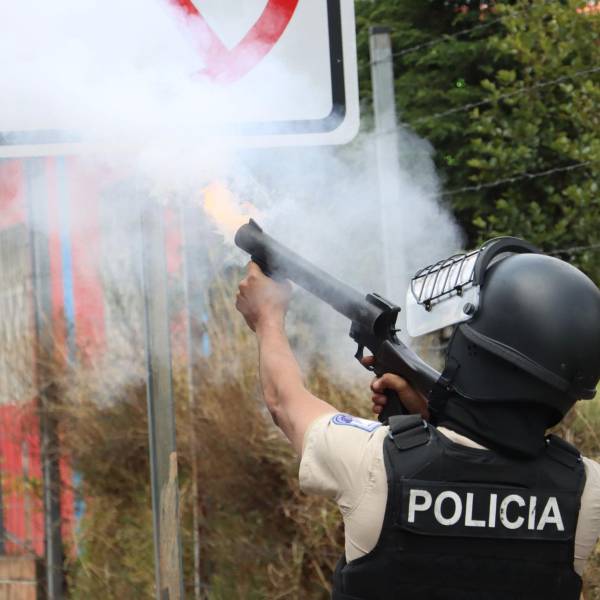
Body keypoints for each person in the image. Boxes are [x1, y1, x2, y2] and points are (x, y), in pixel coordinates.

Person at [236, 239, 600, 600]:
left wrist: (267, 317)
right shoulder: (585, 491)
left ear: (473, 350)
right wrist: (434, 416)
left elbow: (284, 401)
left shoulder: (375, 463)